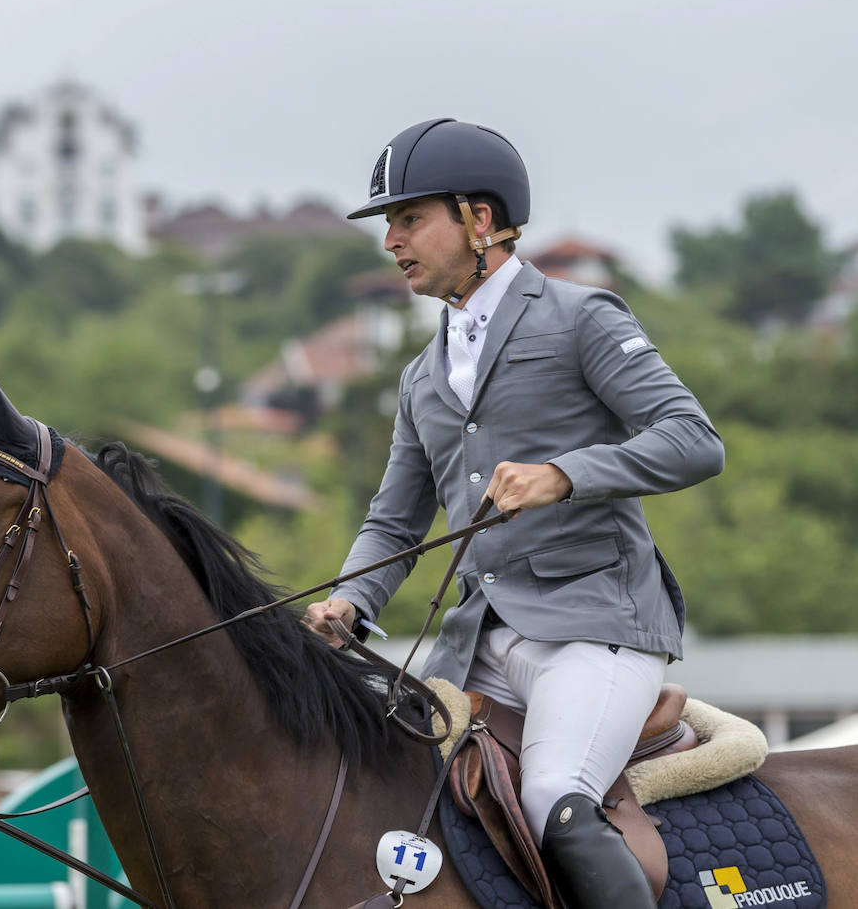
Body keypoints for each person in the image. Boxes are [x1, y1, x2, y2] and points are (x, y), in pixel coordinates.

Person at [304, 118, 724, 908]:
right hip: (476, 650)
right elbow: (395, 524)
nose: (391, 241)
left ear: (480, 219)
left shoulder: (582, 318)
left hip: (594, 628)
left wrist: (566, 475)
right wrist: (349, 601)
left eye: (409, 219)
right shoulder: (421, 377)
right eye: (389, 225)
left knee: (552, 797)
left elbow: (694, 442)